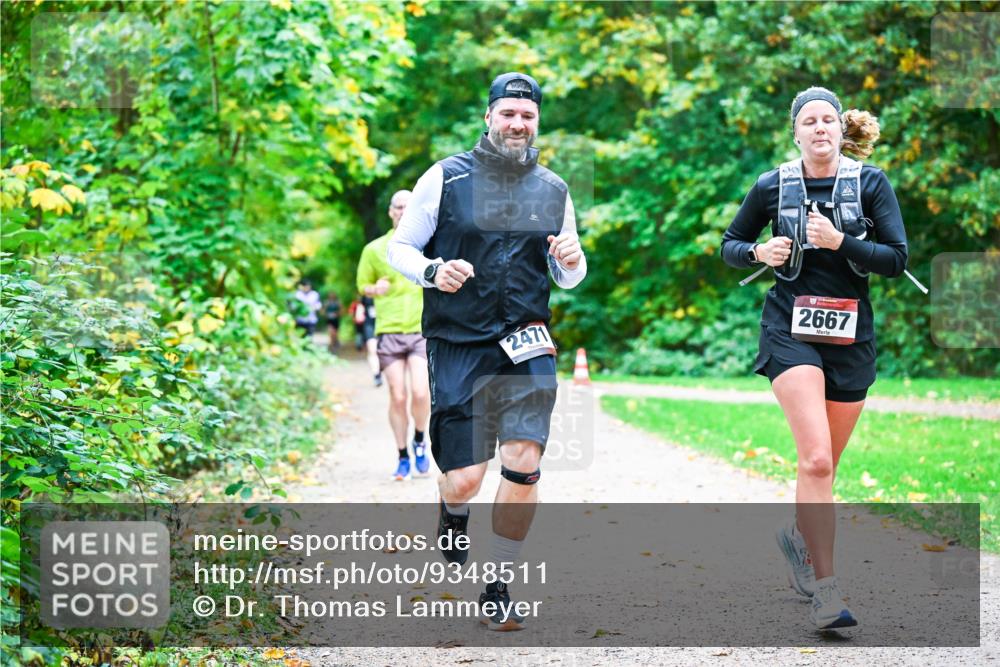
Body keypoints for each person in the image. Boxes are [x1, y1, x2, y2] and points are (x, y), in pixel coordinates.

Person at [388, 72, 586, 631]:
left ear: (537, 122)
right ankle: (452, 508)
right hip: (458, 341)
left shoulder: (554, 188)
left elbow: (569, 273)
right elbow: (401, 248)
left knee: (524, 461)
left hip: (527, 340)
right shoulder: (446, 177)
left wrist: (572, 261)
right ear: (489, 117)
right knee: (466, 478)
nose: (517, 124)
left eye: (527, 116)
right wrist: (433, 270)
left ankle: (498, 585)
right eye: (508, 114)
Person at [721, 86, 908, 630]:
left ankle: (799, 537)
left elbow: (896, 259)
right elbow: (730, 245)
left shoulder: (870, 183)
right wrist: (758, 251)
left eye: (828, 119)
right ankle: (827, 593)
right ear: (796, 132)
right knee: (818, 461)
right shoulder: (773, 185)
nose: (820, 127)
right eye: (809, 120)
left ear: (841, 129)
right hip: (789, 329)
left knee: (826, 464)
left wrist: (840, 242)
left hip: (851, 336)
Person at [356, 190, 431, 480]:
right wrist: (374, 289)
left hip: (421, 330)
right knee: (398, 396)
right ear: (391, 211)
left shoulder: (427, 245)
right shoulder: (374, 249)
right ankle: (402, 456)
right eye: (398, 207)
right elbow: (362, 285)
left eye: (408, 207)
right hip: (388, 331)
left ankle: (420, 440)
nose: (403, 211)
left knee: (421, 392)